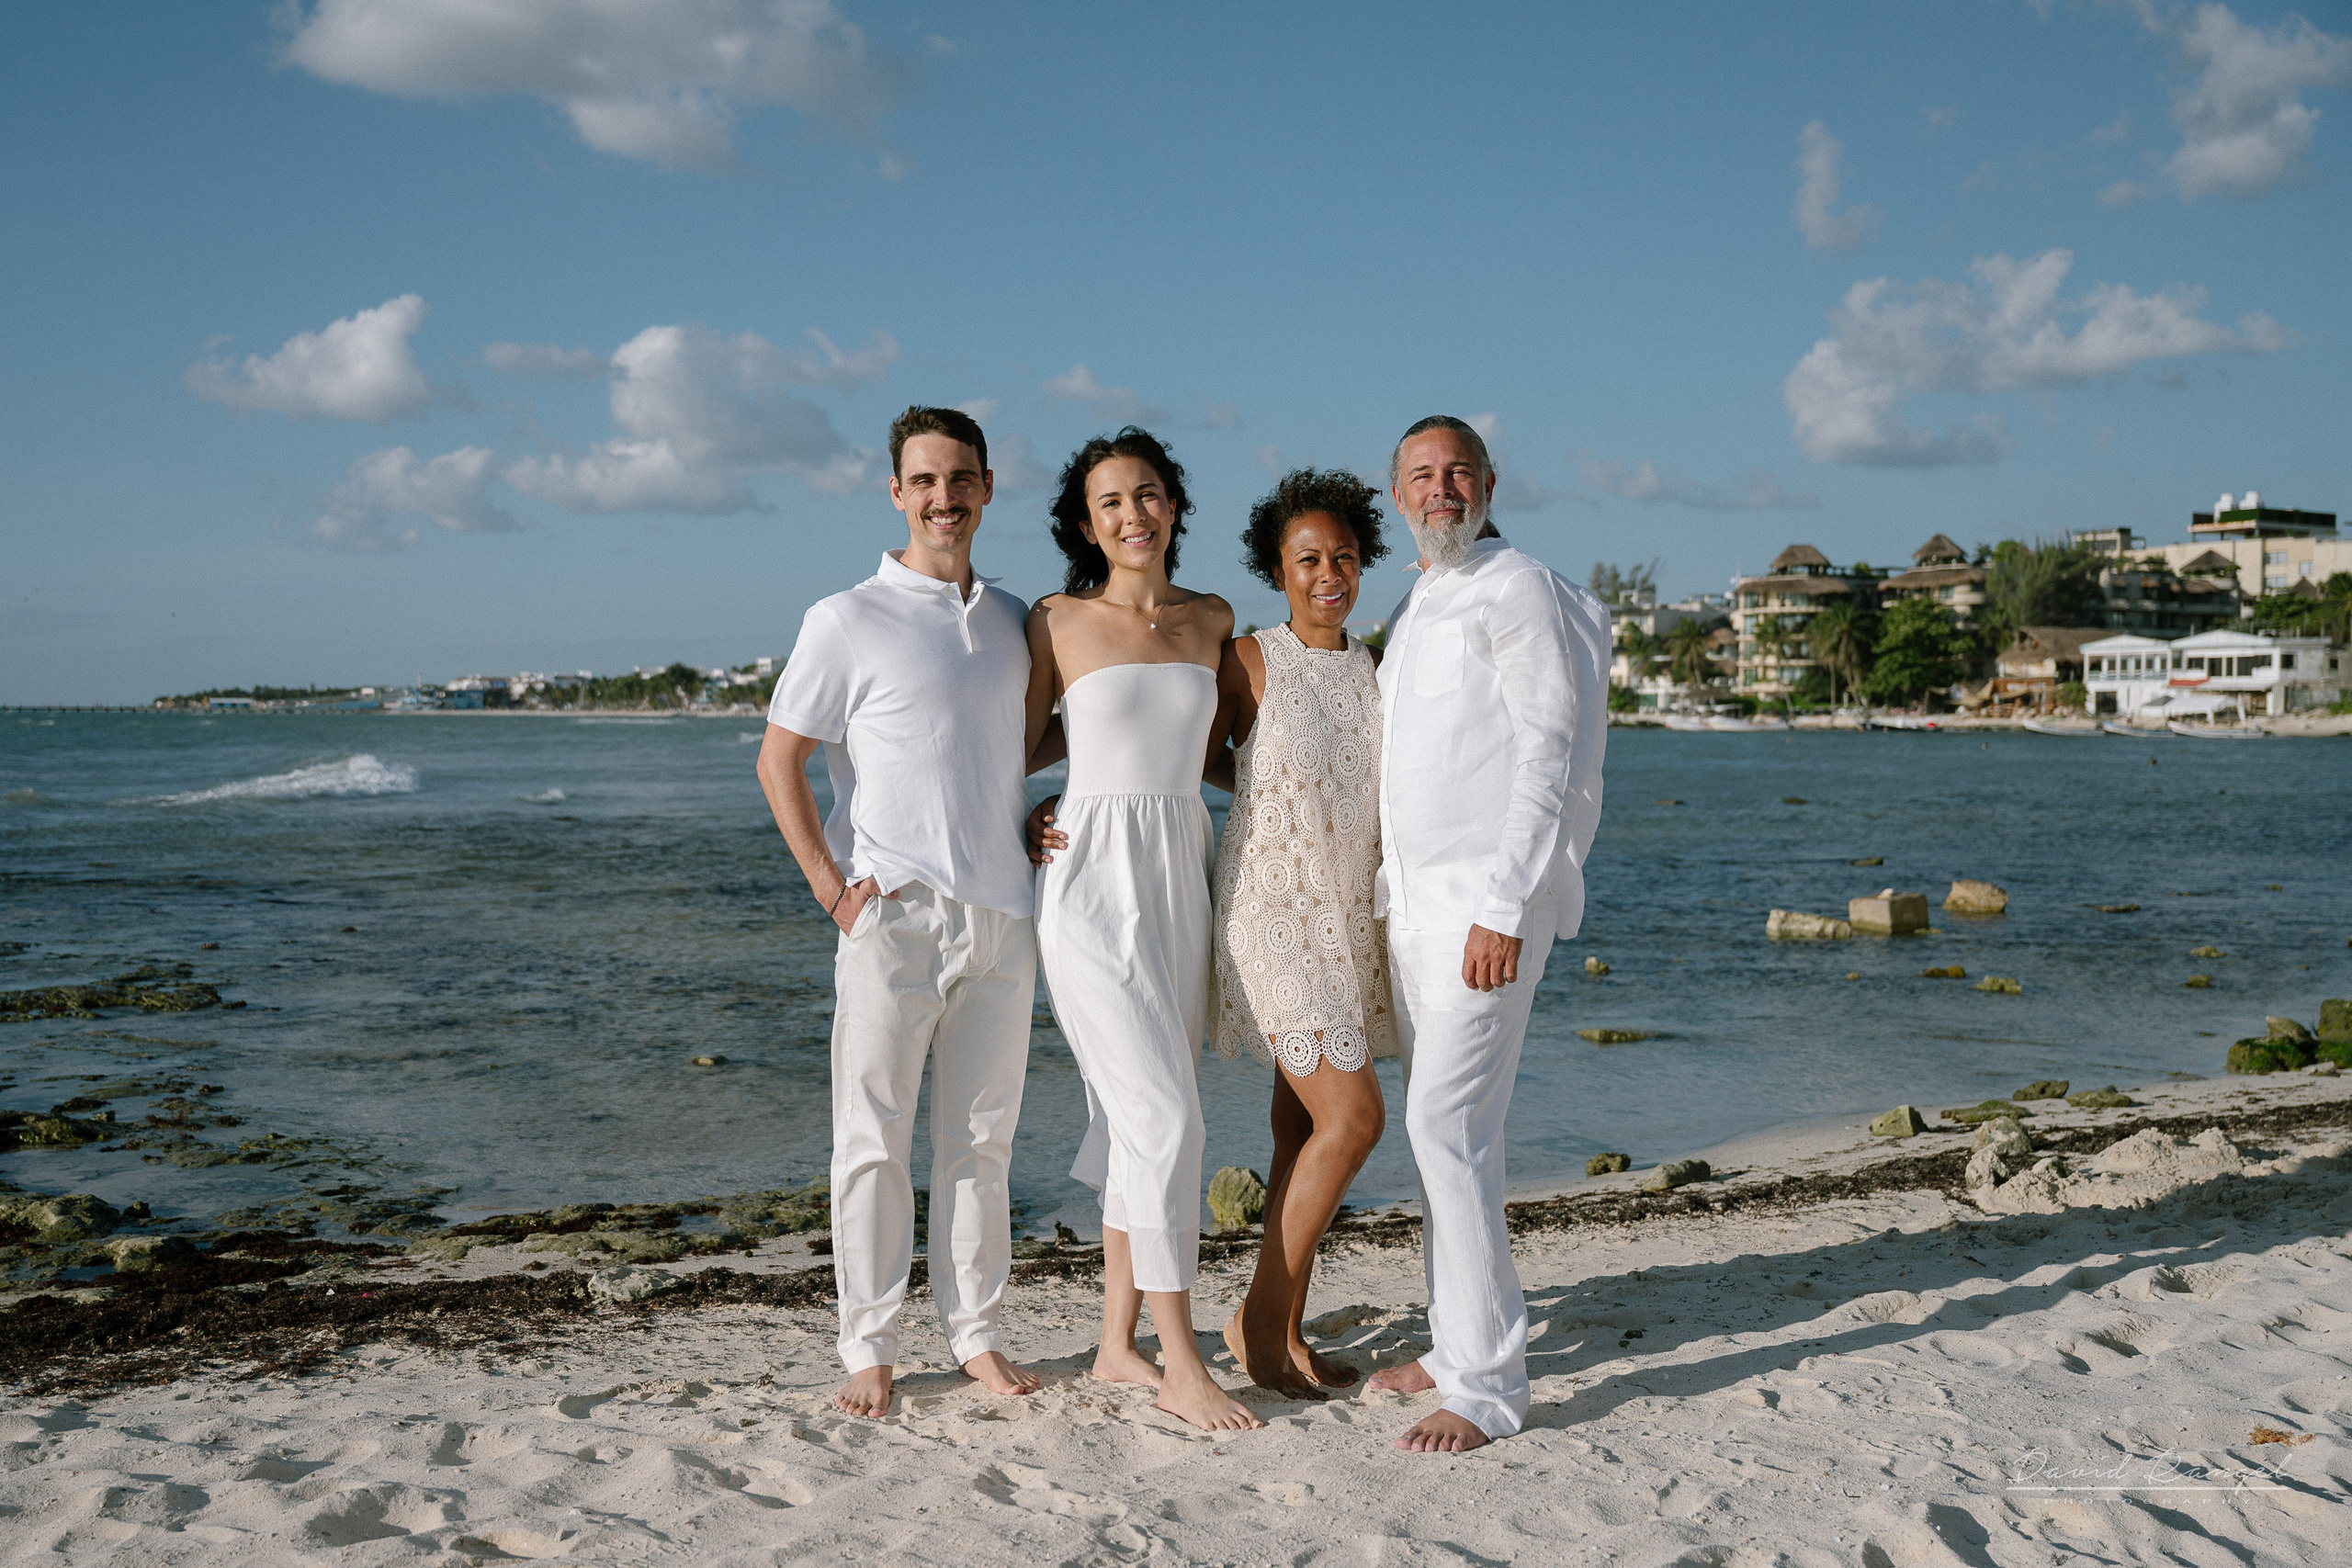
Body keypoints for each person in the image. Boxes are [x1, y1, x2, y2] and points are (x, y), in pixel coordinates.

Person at [755, 406, 1043, 1420]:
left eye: (959, 478)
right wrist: (833, 891)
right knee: (870, 1139)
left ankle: (975, 1335)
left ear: (986, 487)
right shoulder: (844, 619)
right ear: (895, 493)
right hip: (894, 916)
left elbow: (1012, 746)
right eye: (923, 480)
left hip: (1005, 915)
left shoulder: (1015, 619)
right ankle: (868, 1345)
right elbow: (778, 758)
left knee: (982, 1140)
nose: (942, 498)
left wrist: (1040, 810)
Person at [1362, 415, 1609, 1453]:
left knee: (1441, 1128)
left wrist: (1505, 907)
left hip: (1481, 909)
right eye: (1421, 474)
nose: (1441, 486)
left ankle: (1489, 1386)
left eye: (1457, 470)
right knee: (1458, 1137)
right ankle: (1455, 1338)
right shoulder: (1425, 596)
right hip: (1413, 908)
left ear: (1491, 481)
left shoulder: (1518, 587)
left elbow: (1549, 752)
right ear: (1398, 494)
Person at [1023, 426, 1261, 1433]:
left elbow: (1216, 758)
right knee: (1169, 1121)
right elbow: (1014, 746)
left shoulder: (1212, 619)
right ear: (1086, 523)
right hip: (1086, 882)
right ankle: (1178, 1357)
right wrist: (1021, 818)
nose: (1133, 514)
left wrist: (1297, 808)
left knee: (1139, 1120)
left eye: (1148, 493)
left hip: (1181, 875)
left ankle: (1115, 1347)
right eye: (1111, 501)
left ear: (1174, 506)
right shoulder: (1056, 620)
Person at [1205, 470, 1397, 1399]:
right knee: (1354, 1118)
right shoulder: (1246, 659)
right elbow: (1187, 760)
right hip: (1270, 912)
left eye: (1344, 558)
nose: (1329, 575)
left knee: (1298, 1131)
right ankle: (1254, 1320)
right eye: (1308, 559)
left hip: (1347, 919)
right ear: (1275, 567)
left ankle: (1281, 1328)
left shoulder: (1375, 669)